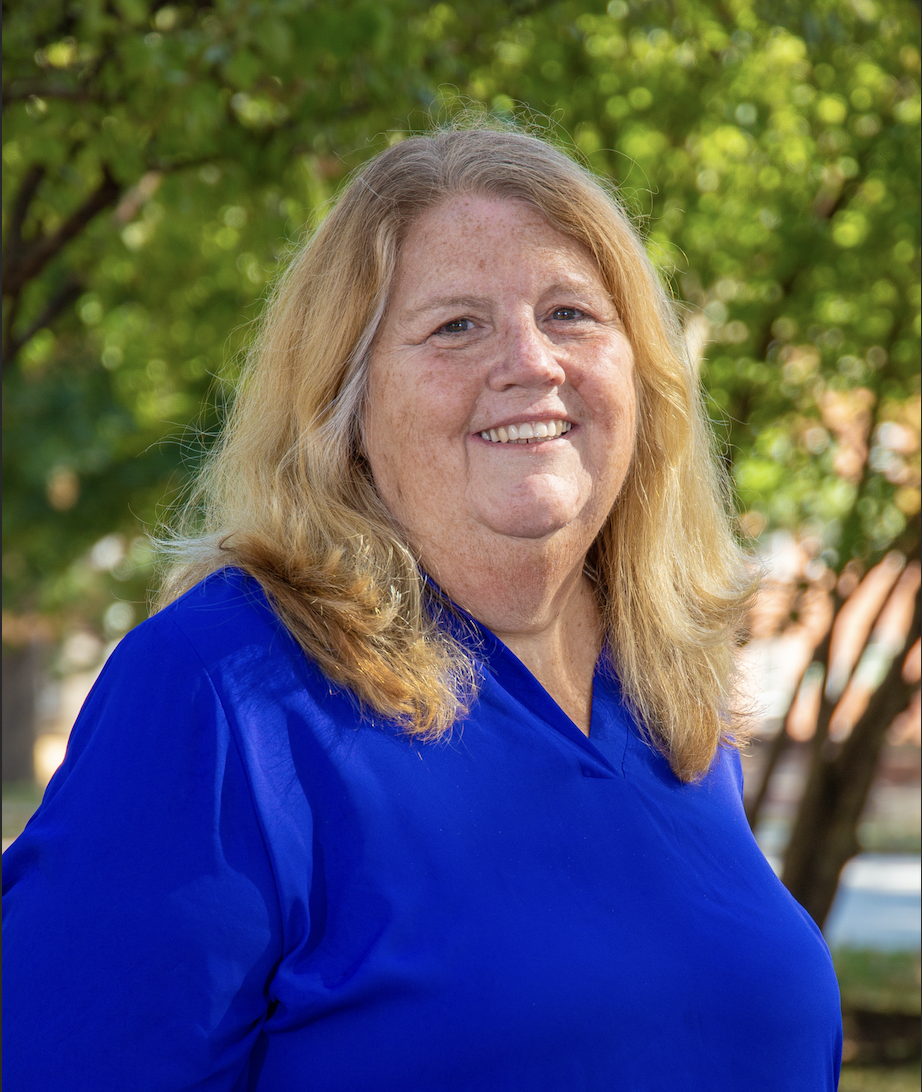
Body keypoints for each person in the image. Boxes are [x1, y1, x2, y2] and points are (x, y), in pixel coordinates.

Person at [3, 125, 842, 1090]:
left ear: (642, 379)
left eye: (570, 314)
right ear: (345, 408)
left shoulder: (672, 698)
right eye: (456, 326)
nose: (531, 363)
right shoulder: (222, 696)